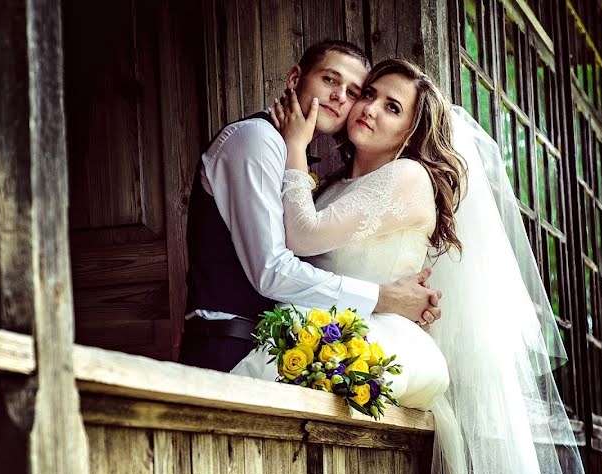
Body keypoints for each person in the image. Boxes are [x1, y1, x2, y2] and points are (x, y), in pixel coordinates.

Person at [236, 58, 602, 474]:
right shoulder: (332, 187)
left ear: (410, 133)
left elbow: (302, 237)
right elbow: (290, 247)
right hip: (342, 328)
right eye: (369, 94)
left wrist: (295, 145)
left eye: (391, 107)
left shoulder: (407, 176)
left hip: (377, 338)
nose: (369, 108)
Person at [179, 41, 441, 373]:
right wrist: (386, 298)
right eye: (330, 80)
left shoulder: (315, 171)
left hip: (293, 351)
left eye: (354, 91)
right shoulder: (256, 141)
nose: (341, 97)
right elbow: (272, 271)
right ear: (294, 79)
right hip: (228, 346)